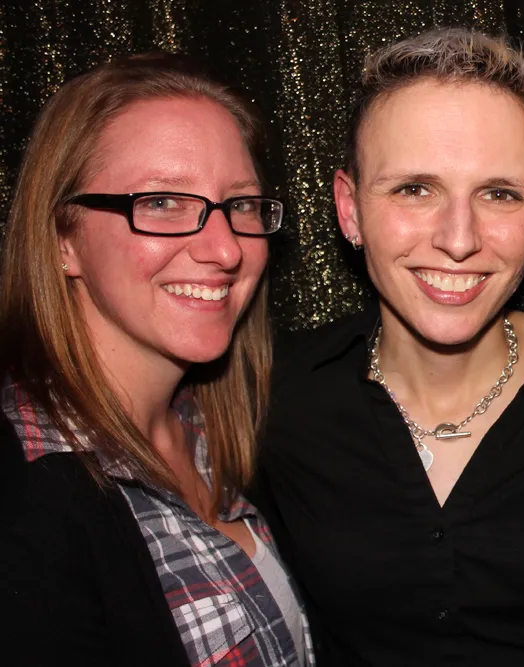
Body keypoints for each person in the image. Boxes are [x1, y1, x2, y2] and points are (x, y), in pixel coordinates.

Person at [253, 28, 524, 666]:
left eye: (499, 194)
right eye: (414, 189)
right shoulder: (275, 396)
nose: (458, 239)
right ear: (349, 209)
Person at [0, 53, 314, 667]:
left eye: (241, 205)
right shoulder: (25, 503)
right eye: (164, 202)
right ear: (64, 239)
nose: (225, 249)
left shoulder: (225, 426)